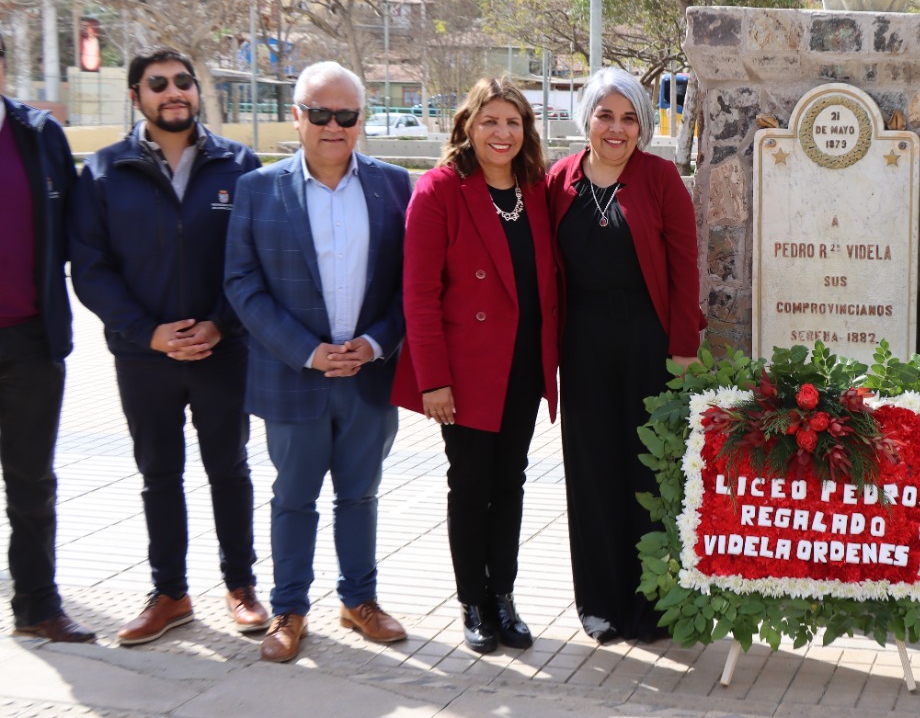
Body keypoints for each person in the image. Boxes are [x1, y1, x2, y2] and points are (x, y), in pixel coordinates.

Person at [71, 48, 266, 645]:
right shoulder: (104, 172)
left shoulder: (240, 165)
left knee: (229, 469)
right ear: (136, 97)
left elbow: (255, 258)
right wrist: (147, 332)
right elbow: (92, 268)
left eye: (184, 81)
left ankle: (241, 586)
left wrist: (218, 324)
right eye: (158, 84)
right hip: (143, 357)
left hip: (222, 351)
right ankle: (171, 594)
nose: (174, 91)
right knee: (159, 474)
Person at [224, 61, 412, 663]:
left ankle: (360, 600)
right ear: (297, 115)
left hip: (368, 376)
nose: (334, 126)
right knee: (293, 497)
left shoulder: (395, 187)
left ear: (362, 120)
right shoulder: (258, 188)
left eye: (347, 115)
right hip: (291, 377)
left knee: (360, 496)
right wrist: (307, 351)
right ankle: (289, 609)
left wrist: (376, 343)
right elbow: (242, 283)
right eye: (321, 114)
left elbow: (414, 285)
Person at [392, 77, 560, 654]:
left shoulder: (534, 189)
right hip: (465, 374)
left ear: (525, 131)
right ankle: (472, 602)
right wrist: (433, 379)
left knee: (510, 484)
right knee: (470, 486)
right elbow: (418, 292)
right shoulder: (439, 190)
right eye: (490, 121)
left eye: (512, 122)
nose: (502, 133)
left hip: (522, 368)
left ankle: (504, 597)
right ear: (466, 125)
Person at [548, 67, 704, 643]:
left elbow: (686, 271)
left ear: (643, 123)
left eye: (629, 117)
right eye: (605, 115)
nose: (617, 128)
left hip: (650, 344)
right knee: (591, 473)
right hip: (582, 347)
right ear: (586, 118)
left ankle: (651, 603)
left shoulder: (661, 179)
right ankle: (599, 603)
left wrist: (685, 349)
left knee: (650, 475)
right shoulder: (558, 181)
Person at [0, 32, 94, 644]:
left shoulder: (38, 137)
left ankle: (37, 605)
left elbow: (79, 229)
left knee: (32, 482)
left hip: (31, 341)